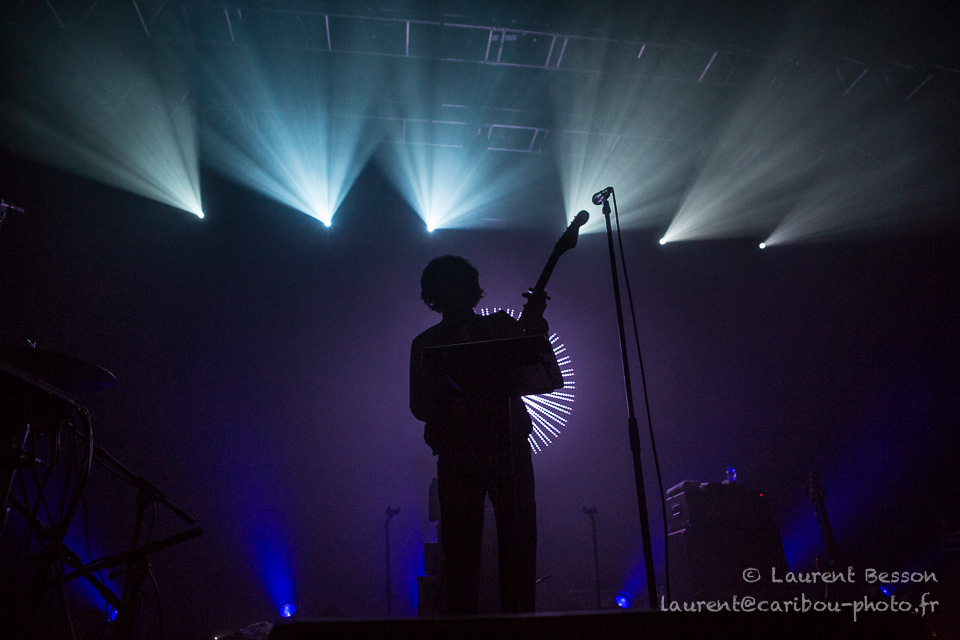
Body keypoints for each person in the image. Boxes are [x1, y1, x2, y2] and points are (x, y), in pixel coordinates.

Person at [409, 255, 548, 615]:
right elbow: (419, 404)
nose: (453, 292)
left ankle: (513, 625)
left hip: (500, 448)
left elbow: (533, 361)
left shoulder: (490, 328)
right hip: (468, 453)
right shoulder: (428, 343)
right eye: (447, 286)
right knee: (464, 553)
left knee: (513, 545)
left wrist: (535, 322)